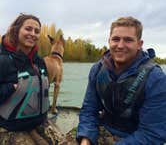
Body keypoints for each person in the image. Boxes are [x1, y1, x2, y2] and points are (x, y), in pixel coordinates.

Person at [76, 16, 166, 145]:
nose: (120, 45)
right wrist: (86, 139)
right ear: (109, 41)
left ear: (139, 45)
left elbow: (152, 134)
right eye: (116, 39)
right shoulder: (97, 69)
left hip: (136, 137)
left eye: (128, 40)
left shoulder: (156, 79)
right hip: (105, 129)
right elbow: (89, 110)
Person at [0, 14, 65, 145]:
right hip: (9, 128)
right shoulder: (3, 60)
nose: (33, 34)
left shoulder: (39, 61)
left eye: (37, 31)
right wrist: (9, 88)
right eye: (28, 29)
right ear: (16, 30)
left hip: (39, 122)